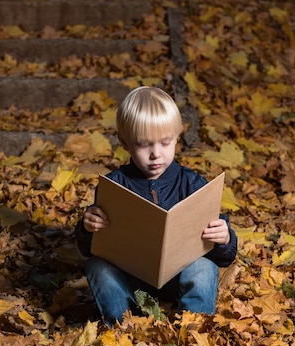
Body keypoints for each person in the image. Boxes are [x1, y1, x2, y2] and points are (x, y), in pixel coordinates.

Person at [75, 86, 237, 326]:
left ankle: (194, 328)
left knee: (204, 266)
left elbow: (224, 257)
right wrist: (87, 228)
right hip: (131, 279)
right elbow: (91, 249)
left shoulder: (192, 183)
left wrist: (224, 238)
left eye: (165, 143)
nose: (155, 154)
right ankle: (126, 326)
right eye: (144, 145)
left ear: (177, 138)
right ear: (125, 142)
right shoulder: (114, 185)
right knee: (97, 267)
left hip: (179, 275)